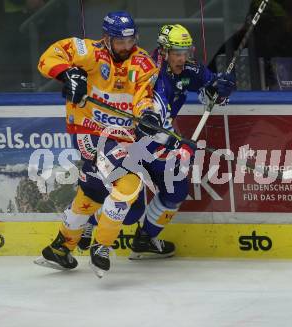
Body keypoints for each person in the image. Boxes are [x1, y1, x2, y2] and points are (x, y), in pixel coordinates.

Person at [77, 24, 236, 259]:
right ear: (163, 51)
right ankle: (91, 221)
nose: (182, 59)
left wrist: (222, 88)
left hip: (159, 143)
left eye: (186, 52)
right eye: (177, 53)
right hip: (132, 143)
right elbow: (156, 124)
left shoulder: (186, 67)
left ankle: (145, 239)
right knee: (130, 211)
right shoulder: (150, 73)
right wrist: (179, 146)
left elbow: (209, 92)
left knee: (176, 189)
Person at [34, 11, 166, 278]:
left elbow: (143, 96)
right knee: (129, 183)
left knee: (93, 193)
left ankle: (61, 247)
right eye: (120, 42)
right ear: (106, 38)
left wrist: (148, 115)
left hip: (120, 136)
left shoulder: (143, 63)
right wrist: (68, 72)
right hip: (88, 131)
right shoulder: (89, 52)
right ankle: (102, 245)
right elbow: (47, 57)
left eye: (131, 41)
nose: (126, 47)